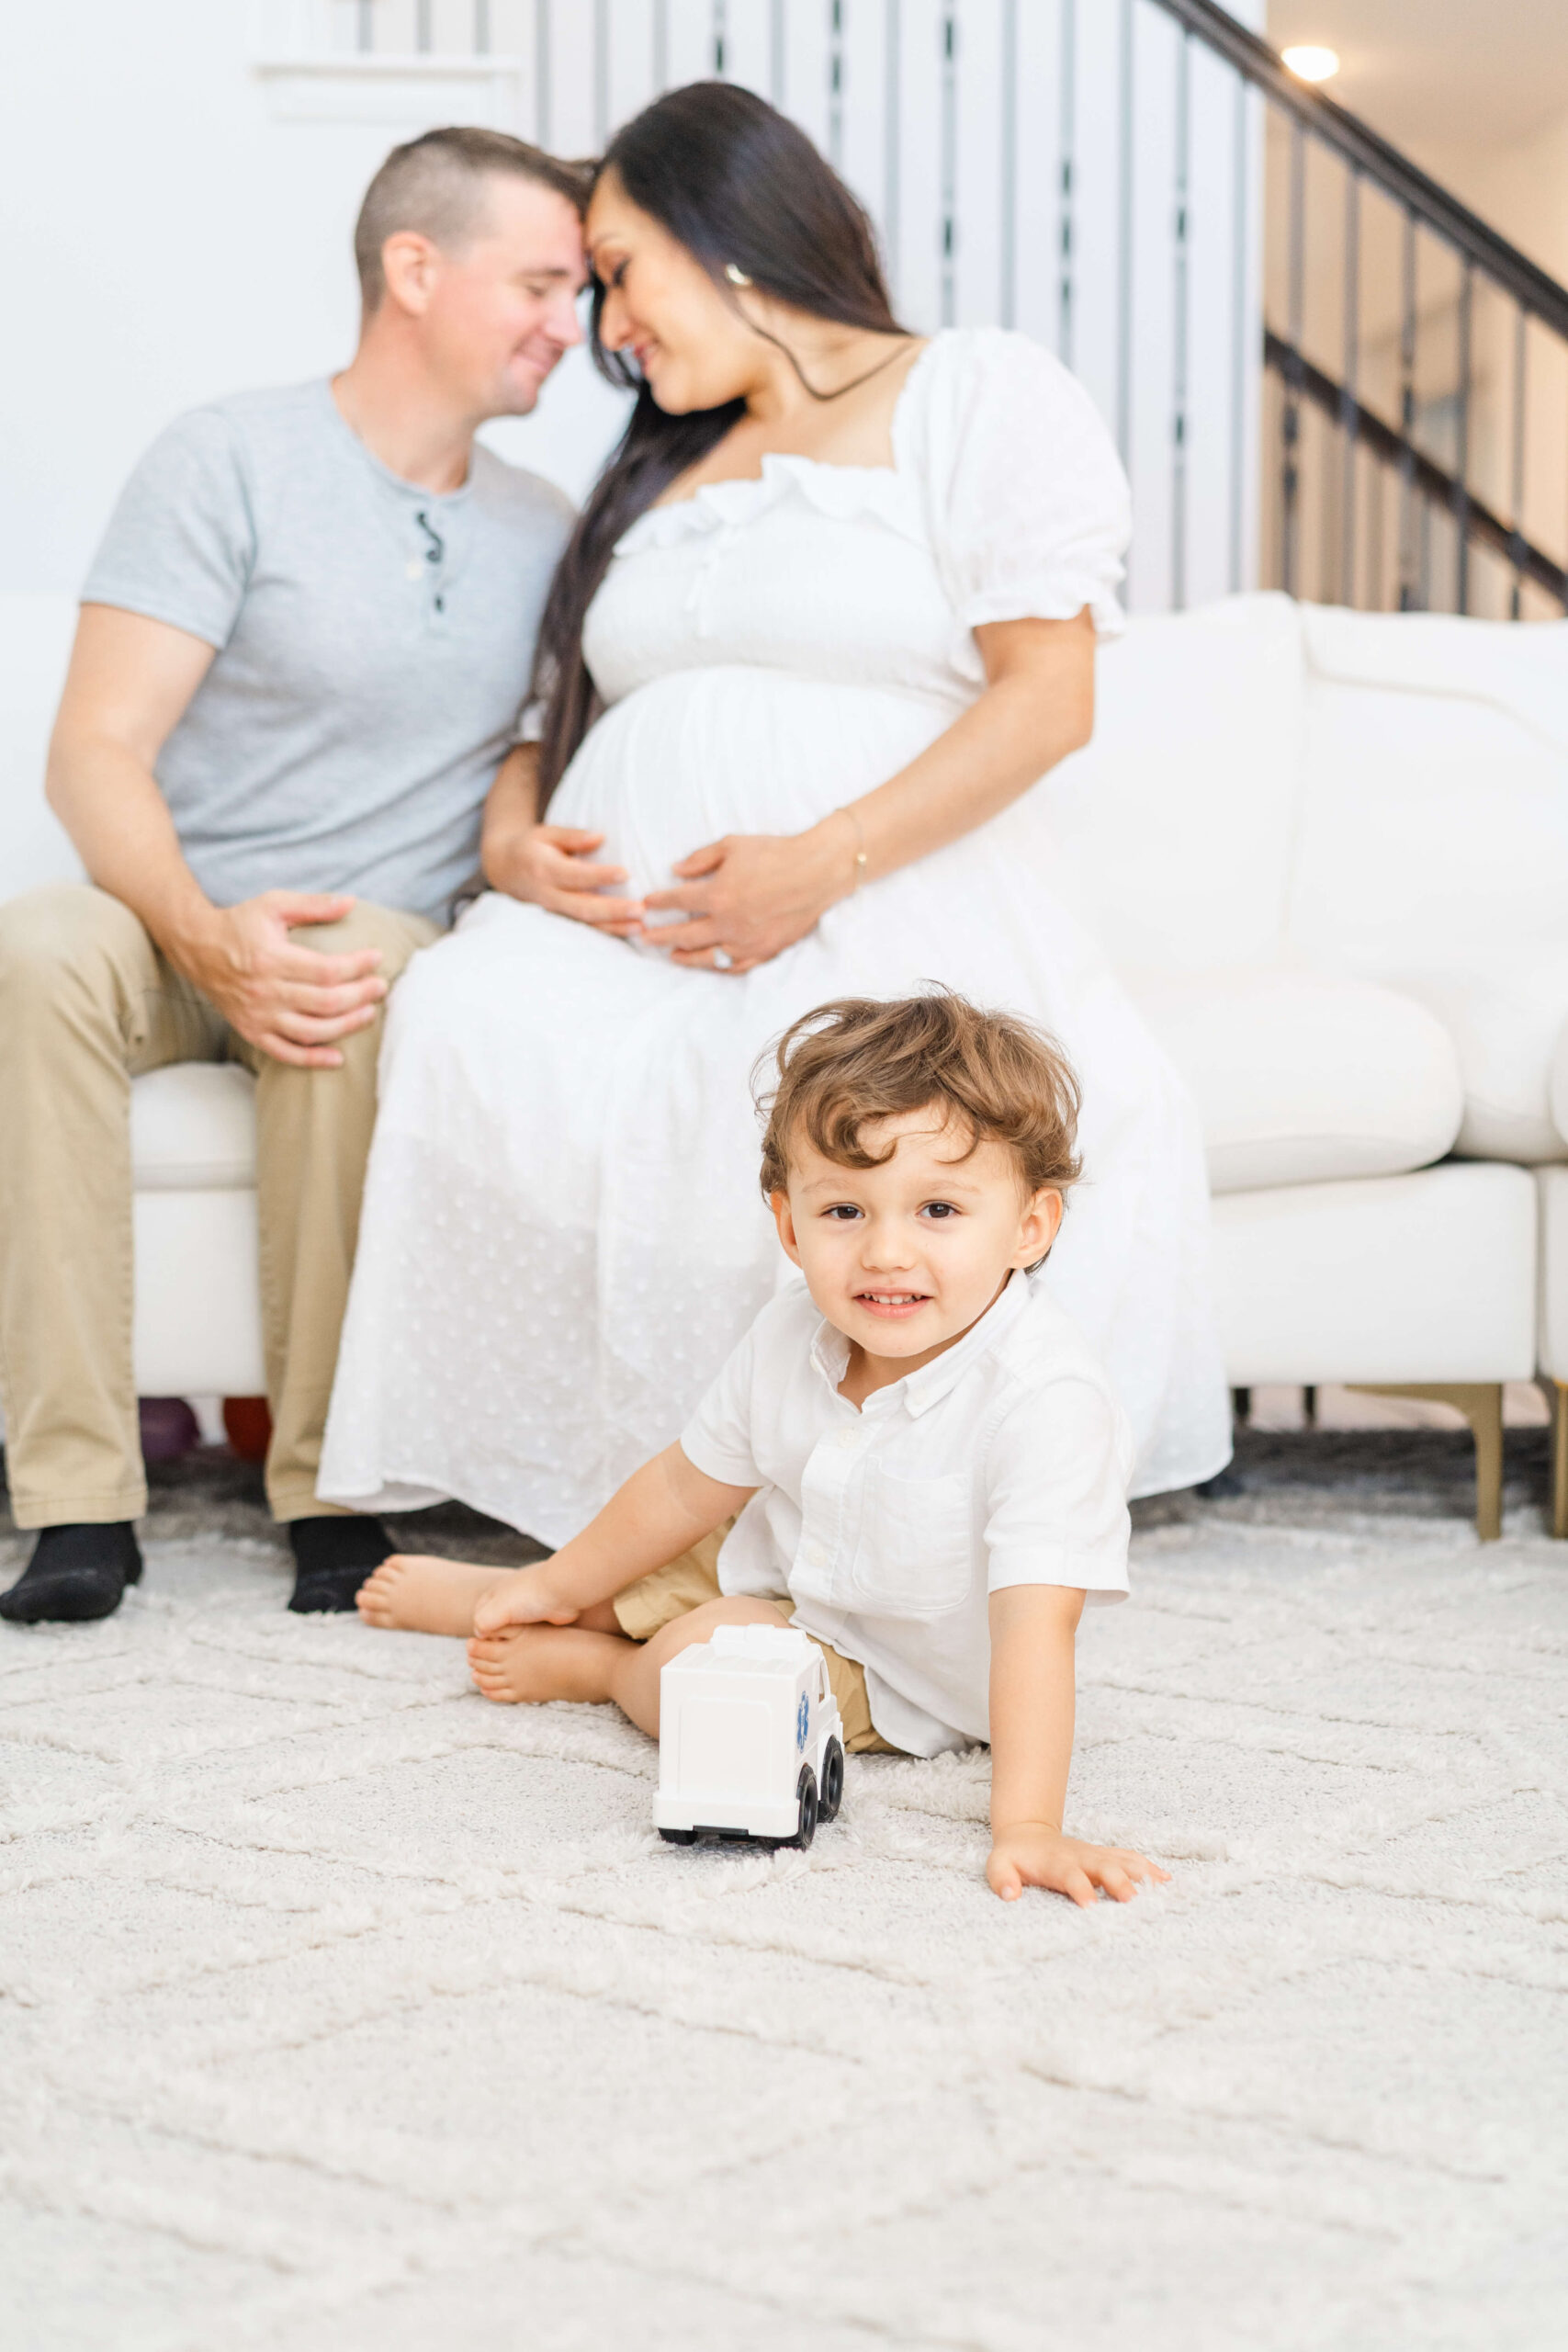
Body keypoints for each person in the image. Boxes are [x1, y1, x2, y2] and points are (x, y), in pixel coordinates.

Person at [318, 80, 1231, 1554]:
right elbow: (554, 717)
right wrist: (506, 846)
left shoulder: (973, 391)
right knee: (463, 1022)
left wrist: (818, 865)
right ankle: (587, 1494)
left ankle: (819, 1508)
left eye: (618, 269)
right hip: (619, 936)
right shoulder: (654, 462)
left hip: (878, 896)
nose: (606, 326)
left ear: (720, 226)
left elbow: (1045, 696)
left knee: (793, 1097)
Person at [0, 128, 587, 1624]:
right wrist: (199, 936)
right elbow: (94, 755)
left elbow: (542, 752)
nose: (562, 326)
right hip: (174, 911)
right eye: (537, 282)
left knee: (348, 966)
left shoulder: (546, 530)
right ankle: (70, 1495)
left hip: (369, 927)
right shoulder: (228, 458)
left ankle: (334, 1489)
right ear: (414, 270)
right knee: (33, 948)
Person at [358, 992, 1169, 1907]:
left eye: (938, 1208)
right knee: (670, 1546)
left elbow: (1034, 1626)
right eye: (844, 1212)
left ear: (1030, 1227)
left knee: (704, 1662)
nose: (886, 1251)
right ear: (789, 1225)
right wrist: (563, 1581)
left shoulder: (1048, 1402)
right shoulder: (793, 1330)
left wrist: (1028, 1824)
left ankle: (605, 1665)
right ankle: (545, 1594)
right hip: (793, 1550)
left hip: (894, 1667)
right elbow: (681, 1485)